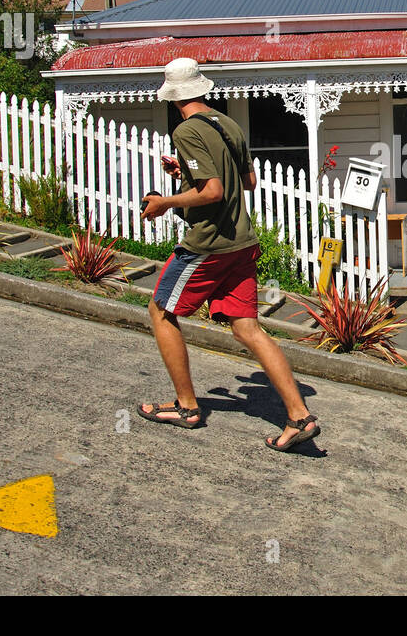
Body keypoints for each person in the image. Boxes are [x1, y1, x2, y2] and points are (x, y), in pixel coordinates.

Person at [137, 57, 320, 451]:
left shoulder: (185, 130)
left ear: (173, 97)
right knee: (247, 328)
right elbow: (247, 181)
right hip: (243, 242)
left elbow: (214, 192)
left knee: (161, 311)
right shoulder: (228, 124)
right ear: (202, 88)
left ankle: (187, 407)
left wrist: (165, 202)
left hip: (209, 243)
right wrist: (184, 174)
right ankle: (299, 416)